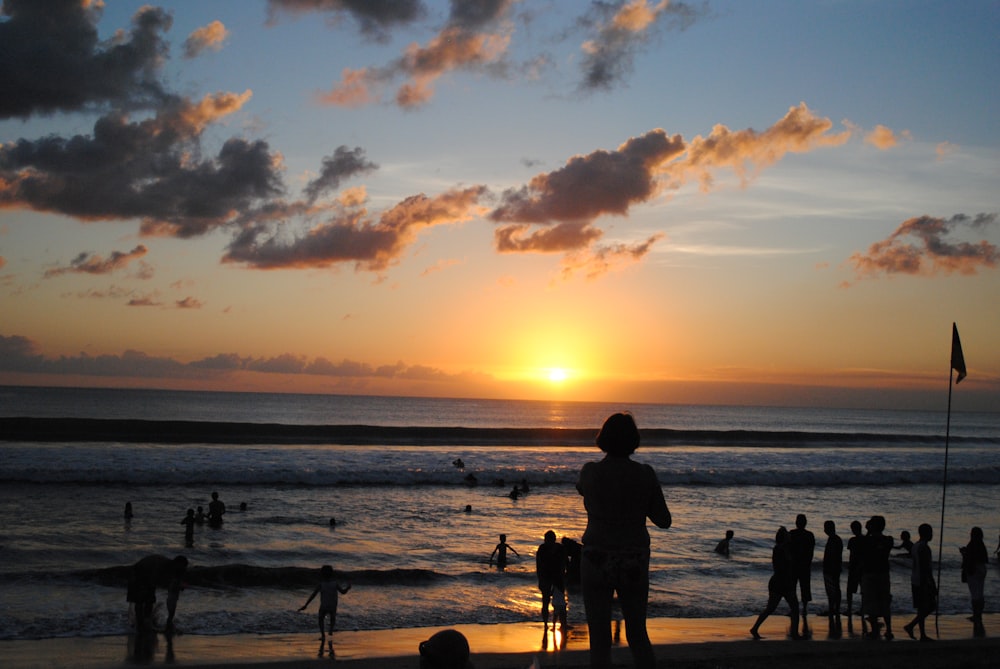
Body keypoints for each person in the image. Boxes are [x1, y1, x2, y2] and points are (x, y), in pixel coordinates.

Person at [577, 412, 672, 669]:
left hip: (596, 557)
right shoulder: (645, 474)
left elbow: (582, 491)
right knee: (637, 634)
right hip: (633, 558)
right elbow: (664, 520)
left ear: (603, 438)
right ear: (634, 440)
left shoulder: (590, 472)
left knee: (599, 639)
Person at [750, 526, 800, 640]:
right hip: (781, 582)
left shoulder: (783, 548)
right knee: (789, 608)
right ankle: (794, 633)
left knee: (784, 608)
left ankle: (795, 632)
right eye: (787, 534)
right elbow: (784, 567)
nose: (789, 535)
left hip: (781, 582)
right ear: (784, 537)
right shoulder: (781, 549)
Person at [126, 555, 188, 632]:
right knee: (139, 601)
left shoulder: (177, 569)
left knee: (149, 600)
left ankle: (146, 623)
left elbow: (173, 590)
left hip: (149, 574)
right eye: (181, 567)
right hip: (138, 573)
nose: (181, 570)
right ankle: (140, 625)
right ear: (175, 563)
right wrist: (169, 584)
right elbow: (155, 580)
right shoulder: (163, 566)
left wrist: (178, 585)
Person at [299, 565, 351, 646]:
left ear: (322, 574)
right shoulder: (335, 583)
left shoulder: (321, 584)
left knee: (321, 619)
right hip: (332, 605)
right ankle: (330, 630)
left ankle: (323, 635)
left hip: (324, 605)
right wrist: (347, 588)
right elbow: (343, 592)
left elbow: (313, 595)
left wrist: (306, 604)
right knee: (332, 618)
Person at [860, 515, 894, 640]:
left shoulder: (868, 540)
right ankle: (889, 629)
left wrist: (868, 532)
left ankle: (875, 629)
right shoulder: (888, 540)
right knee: (884, 601)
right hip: (883, 573)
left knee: (871, 601)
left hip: (870, 573)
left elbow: (862, 551)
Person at [903, 523, 936, 641]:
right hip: (922, 581)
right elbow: (925, 567)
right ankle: (911, 626)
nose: (932, 535)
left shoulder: (915, 546)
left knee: (922, 608)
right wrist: (931, 583)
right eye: (930, 532)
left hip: (915, 579)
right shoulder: (924, 548)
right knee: (931, 606)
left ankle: (922, 634)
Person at [787, 514, 815, 637]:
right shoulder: (809, 535)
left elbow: (787, 549)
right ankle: (803, 609)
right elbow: (811, 551)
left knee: (793, 587)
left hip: (794, 565)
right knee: (804, 587)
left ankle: (794, 609)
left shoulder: (792, 534)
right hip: (804, 565)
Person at [960, 526, 989, 637]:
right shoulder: (981, 545)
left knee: (975, 595)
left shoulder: (972, 544)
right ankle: (978, 615)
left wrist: (964, 553)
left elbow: (970, 559)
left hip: (974, 570)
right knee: (980, 593)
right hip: (982, 569)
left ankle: (976, 615)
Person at [535, 530, 567, 626]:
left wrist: (563, 578)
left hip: (558, 578)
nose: (545, 542)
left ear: (552, 540)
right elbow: (539, 565)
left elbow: (564, 564)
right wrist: (540, 580)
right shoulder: (542, 549)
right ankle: (545, 624)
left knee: (560, 603)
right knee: (545, 602)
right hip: (546, 578)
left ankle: (562, 624)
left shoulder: (560, 549)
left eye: (547, 540)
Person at [822, 520, 843, 638]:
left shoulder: (834, 540)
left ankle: (833, 609)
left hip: (831, 569)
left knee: (832, 590)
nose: (824, 530)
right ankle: (834, 608)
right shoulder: (835, 539)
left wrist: (830, 567)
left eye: (825, 527)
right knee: (834, 589)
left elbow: (833, 556)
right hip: (834, 569)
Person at [845, 520, 866, 637]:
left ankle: (850, 609)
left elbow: (852, 554)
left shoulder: (853, 540)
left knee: (851, 590)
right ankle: (862, 609)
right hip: (860, 567)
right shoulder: (863, 540)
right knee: (862, 590)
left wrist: (852, 564)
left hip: (855, 567)